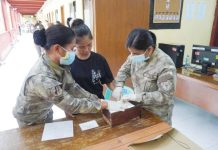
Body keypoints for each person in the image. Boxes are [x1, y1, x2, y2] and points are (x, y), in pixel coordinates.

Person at [13, 24, 108, 127]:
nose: (73, 52)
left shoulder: (60, 63)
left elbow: (73, 87)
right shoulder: (42, 79)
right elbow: (70, 104)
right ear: (58, 48)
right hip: (30, 120)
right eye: (72, 48)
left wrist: (95, 99)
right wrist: (99, 105)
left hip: (46, 111)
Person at [112, 28, 176, 124]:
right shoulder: (135, 56)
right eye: (130, 52)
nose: (131, 56)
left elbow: (165, 95)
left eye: (135, 53)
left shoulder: (165, 64)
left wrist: (137, 97)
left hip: (157, 113)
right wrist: (119, 86)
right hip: (140, 108)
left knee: (158, 137)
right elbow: (124, 70)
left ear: (149, 50)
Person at [70, 19, 114, 99]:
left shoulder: (99, 59)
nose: (87, 49)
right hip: (79, 105)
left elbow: (108, 81)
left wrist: (116, 93)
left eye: (89, 45)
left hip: (98, 103)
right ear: (74, 45)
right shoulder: (69, 62)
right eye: (81, 47)